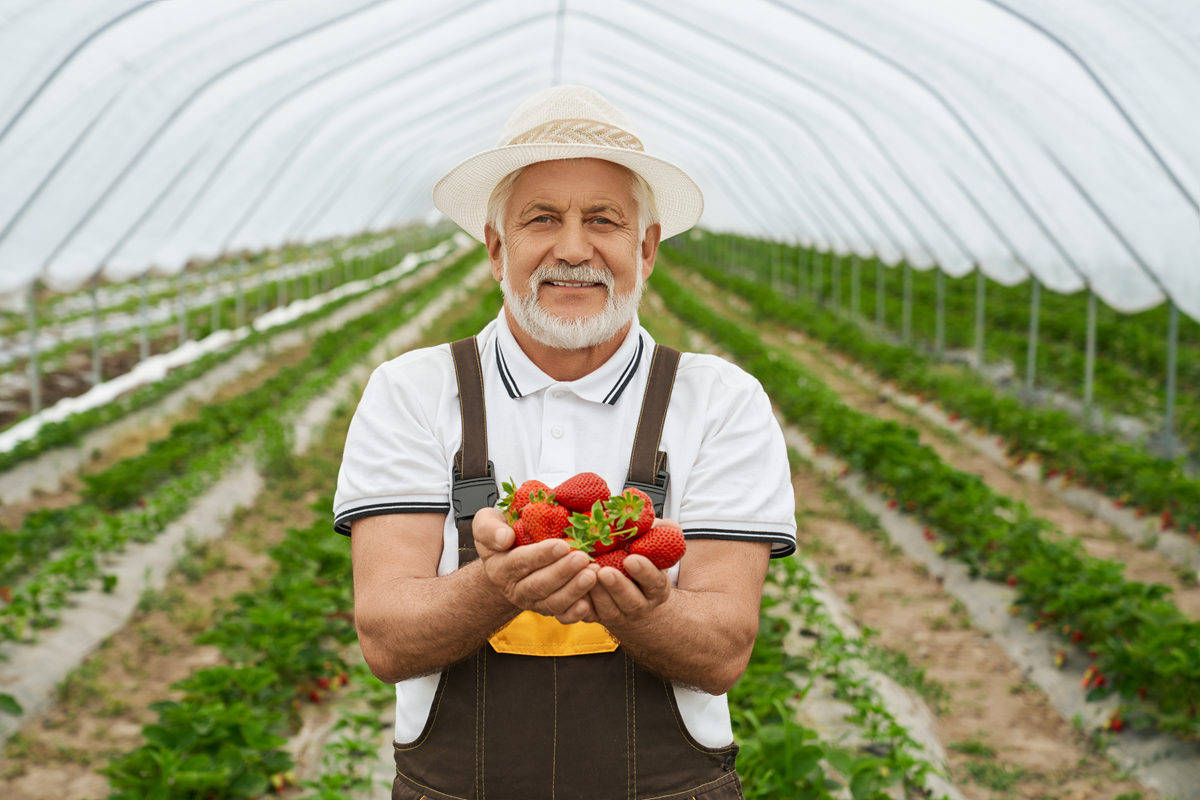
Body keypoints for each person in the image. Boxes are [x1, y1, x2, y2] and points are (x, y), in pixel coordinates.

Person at [335, 85, 796, 800]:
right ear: (496, 249)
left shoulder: (720, 402)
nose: (573, 248)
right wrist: (493, 585)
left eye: (604, 220)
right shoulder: (412, 392)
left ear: (646, 249)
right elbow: (387, 638)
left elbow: (723, 649)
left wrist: (645, 610)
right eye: (541, 218)